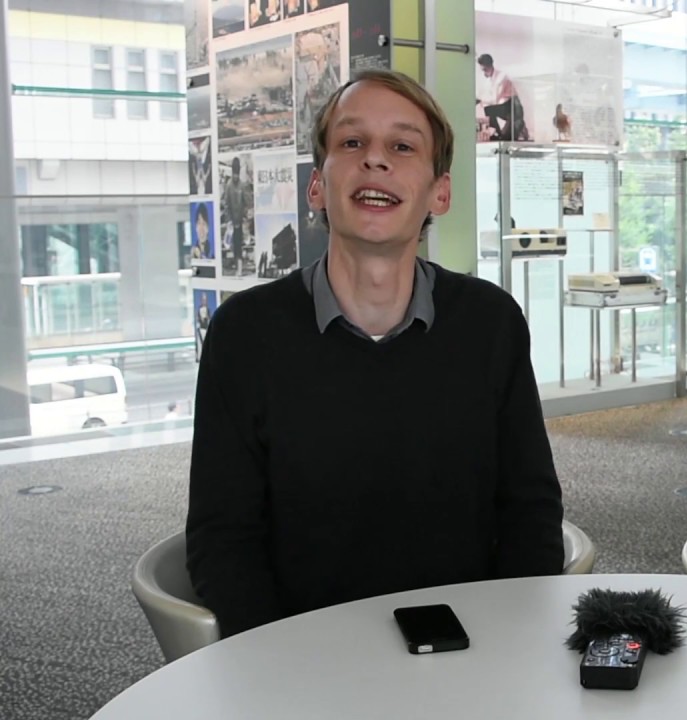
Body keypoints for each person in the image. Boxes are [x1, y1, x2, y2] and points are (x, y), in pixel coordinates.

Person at [186, 69, 565, 637]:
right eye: (352, 141)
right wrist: (280, 661)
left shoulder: (491, 323)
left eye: (403, 146)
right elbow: (222, 539)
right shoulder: (245, 333)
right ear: (317, 185)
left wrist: (500, 643)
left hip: (468, 648)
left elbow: (530, 514)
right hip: (303, 655)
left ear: (440, 192)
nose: (375, 160)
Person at [477, 54, 526, 141]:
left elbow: (495, 99)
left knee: (507, 139)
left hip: (513, 108)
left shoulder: (501, 77)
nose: (484, 73)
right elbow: (488, 97)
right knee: (488, 109)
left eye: (485, 70)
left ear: (490, 65)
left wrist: (480, 100)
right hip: (505, 107)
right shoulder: (490, 79)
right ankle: (497, 133)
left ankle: (518, 127)